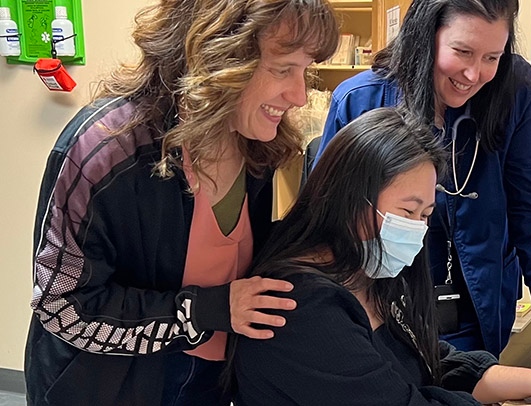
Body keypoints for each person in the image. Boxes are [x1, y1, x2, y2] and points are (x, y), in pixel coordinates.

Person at [24, 1, 338, 405]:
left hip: (210, 378)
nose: (298, 95)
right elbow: (61, 307)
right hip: (106, 385)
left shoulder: (262, 147)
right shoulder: (104, 154)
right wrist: (203, 311)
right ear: (217, 55)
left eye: (306, 70)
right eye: (282, 69)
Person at [232, 107, 531, 406]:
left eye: (426, 215)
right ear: (349, 198)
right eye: (407, 212)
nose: (417, 229)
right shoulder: (300, 307)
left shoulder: (370, 272)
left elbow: (436, 363)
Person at [313, 0, 531, 369]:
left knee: (469, 381)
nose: (474, 74)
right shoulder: (362, 99)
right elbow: (324, 220)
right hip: (379, 302)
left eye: (491, 57)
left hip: (476, 300)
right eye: (462, 52)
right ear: (426, 37)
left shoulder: (513, 90)